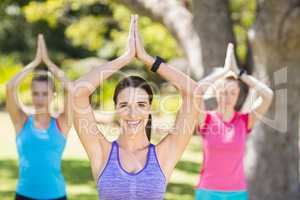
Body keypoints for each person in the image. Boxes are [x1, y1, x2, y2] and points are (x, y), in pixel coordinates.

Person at [72, 15, 202, 200]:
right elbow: (77, 92)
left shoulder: (164, 155)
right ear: (116, 109)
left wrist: (148, 59)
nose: (133, 113)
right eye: (124, 105)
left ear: (150, 109)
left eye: (141, 105)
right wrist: (124, 58)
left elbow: (194, 92)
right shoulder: (101, 151)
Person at [195, 43, 274, 200]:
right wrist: (224, 71)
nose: (227, 97)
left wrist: (240, 73)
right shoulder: (207, 119)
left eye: (233, 92)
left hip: (237, 193)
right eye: (223, 92)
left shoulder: (244, 121)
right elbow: (196, 90)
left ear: (238, 95)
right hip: (207, 192)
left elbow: (268, 95)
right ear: (216, 93)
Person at [6, 34, 72, 200]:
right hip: (24, 195)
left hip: (56, 195)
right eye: (36, 93)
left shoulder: (61, 124)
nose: (40, 98)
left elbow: (71, 89)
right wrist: (35, 62)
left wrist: (48, 63)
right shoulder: (22, 121)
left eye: (45, 93)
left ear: (53, 95)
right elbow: (10, 87)